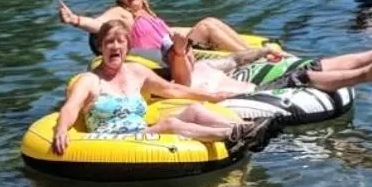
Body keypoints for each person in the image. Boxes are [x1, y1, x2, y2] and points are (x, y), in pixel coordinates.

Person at [49, 21, 276, 156]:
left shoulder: (136, 72)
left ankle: (248, 128)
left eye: (120, 41)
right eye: (109, 42)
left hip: (140, 132)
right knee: (169, 123)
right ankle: (230, 136)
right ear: (101, 47)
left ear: (128, 47)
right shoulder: (90, 80)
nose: (115, 46)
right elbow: (71, 107)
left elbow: (173, 91)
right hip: (113, 141)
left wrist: (212, 96)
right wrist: (61, 129)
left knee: (195, 110)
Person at [161, 25, 372, 99]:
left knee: (311, 64)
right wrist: (179, 53)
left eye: (190, 48)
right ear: (171, 57)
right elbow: (182, 80)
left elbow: (235, 59)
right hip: (254, 97)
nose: (189, 53)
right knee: (303, 77)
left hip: (258, 87)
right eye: (182, 52)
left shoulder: (204, 66)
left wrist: (263, 51)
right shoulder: (178, 82)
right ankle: (367, 74)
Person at [57, 0, 251, 54]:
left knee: (210, 21)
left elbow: (166, 31)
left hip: (173, 46)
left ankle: (252, 52)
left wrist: (194, 29)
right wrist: (75, 20)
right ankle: (253, 56)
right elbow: (101, 25)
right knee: (207, 25)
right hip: (166, 56)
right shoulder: (121, 13)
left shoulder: (147, 12)